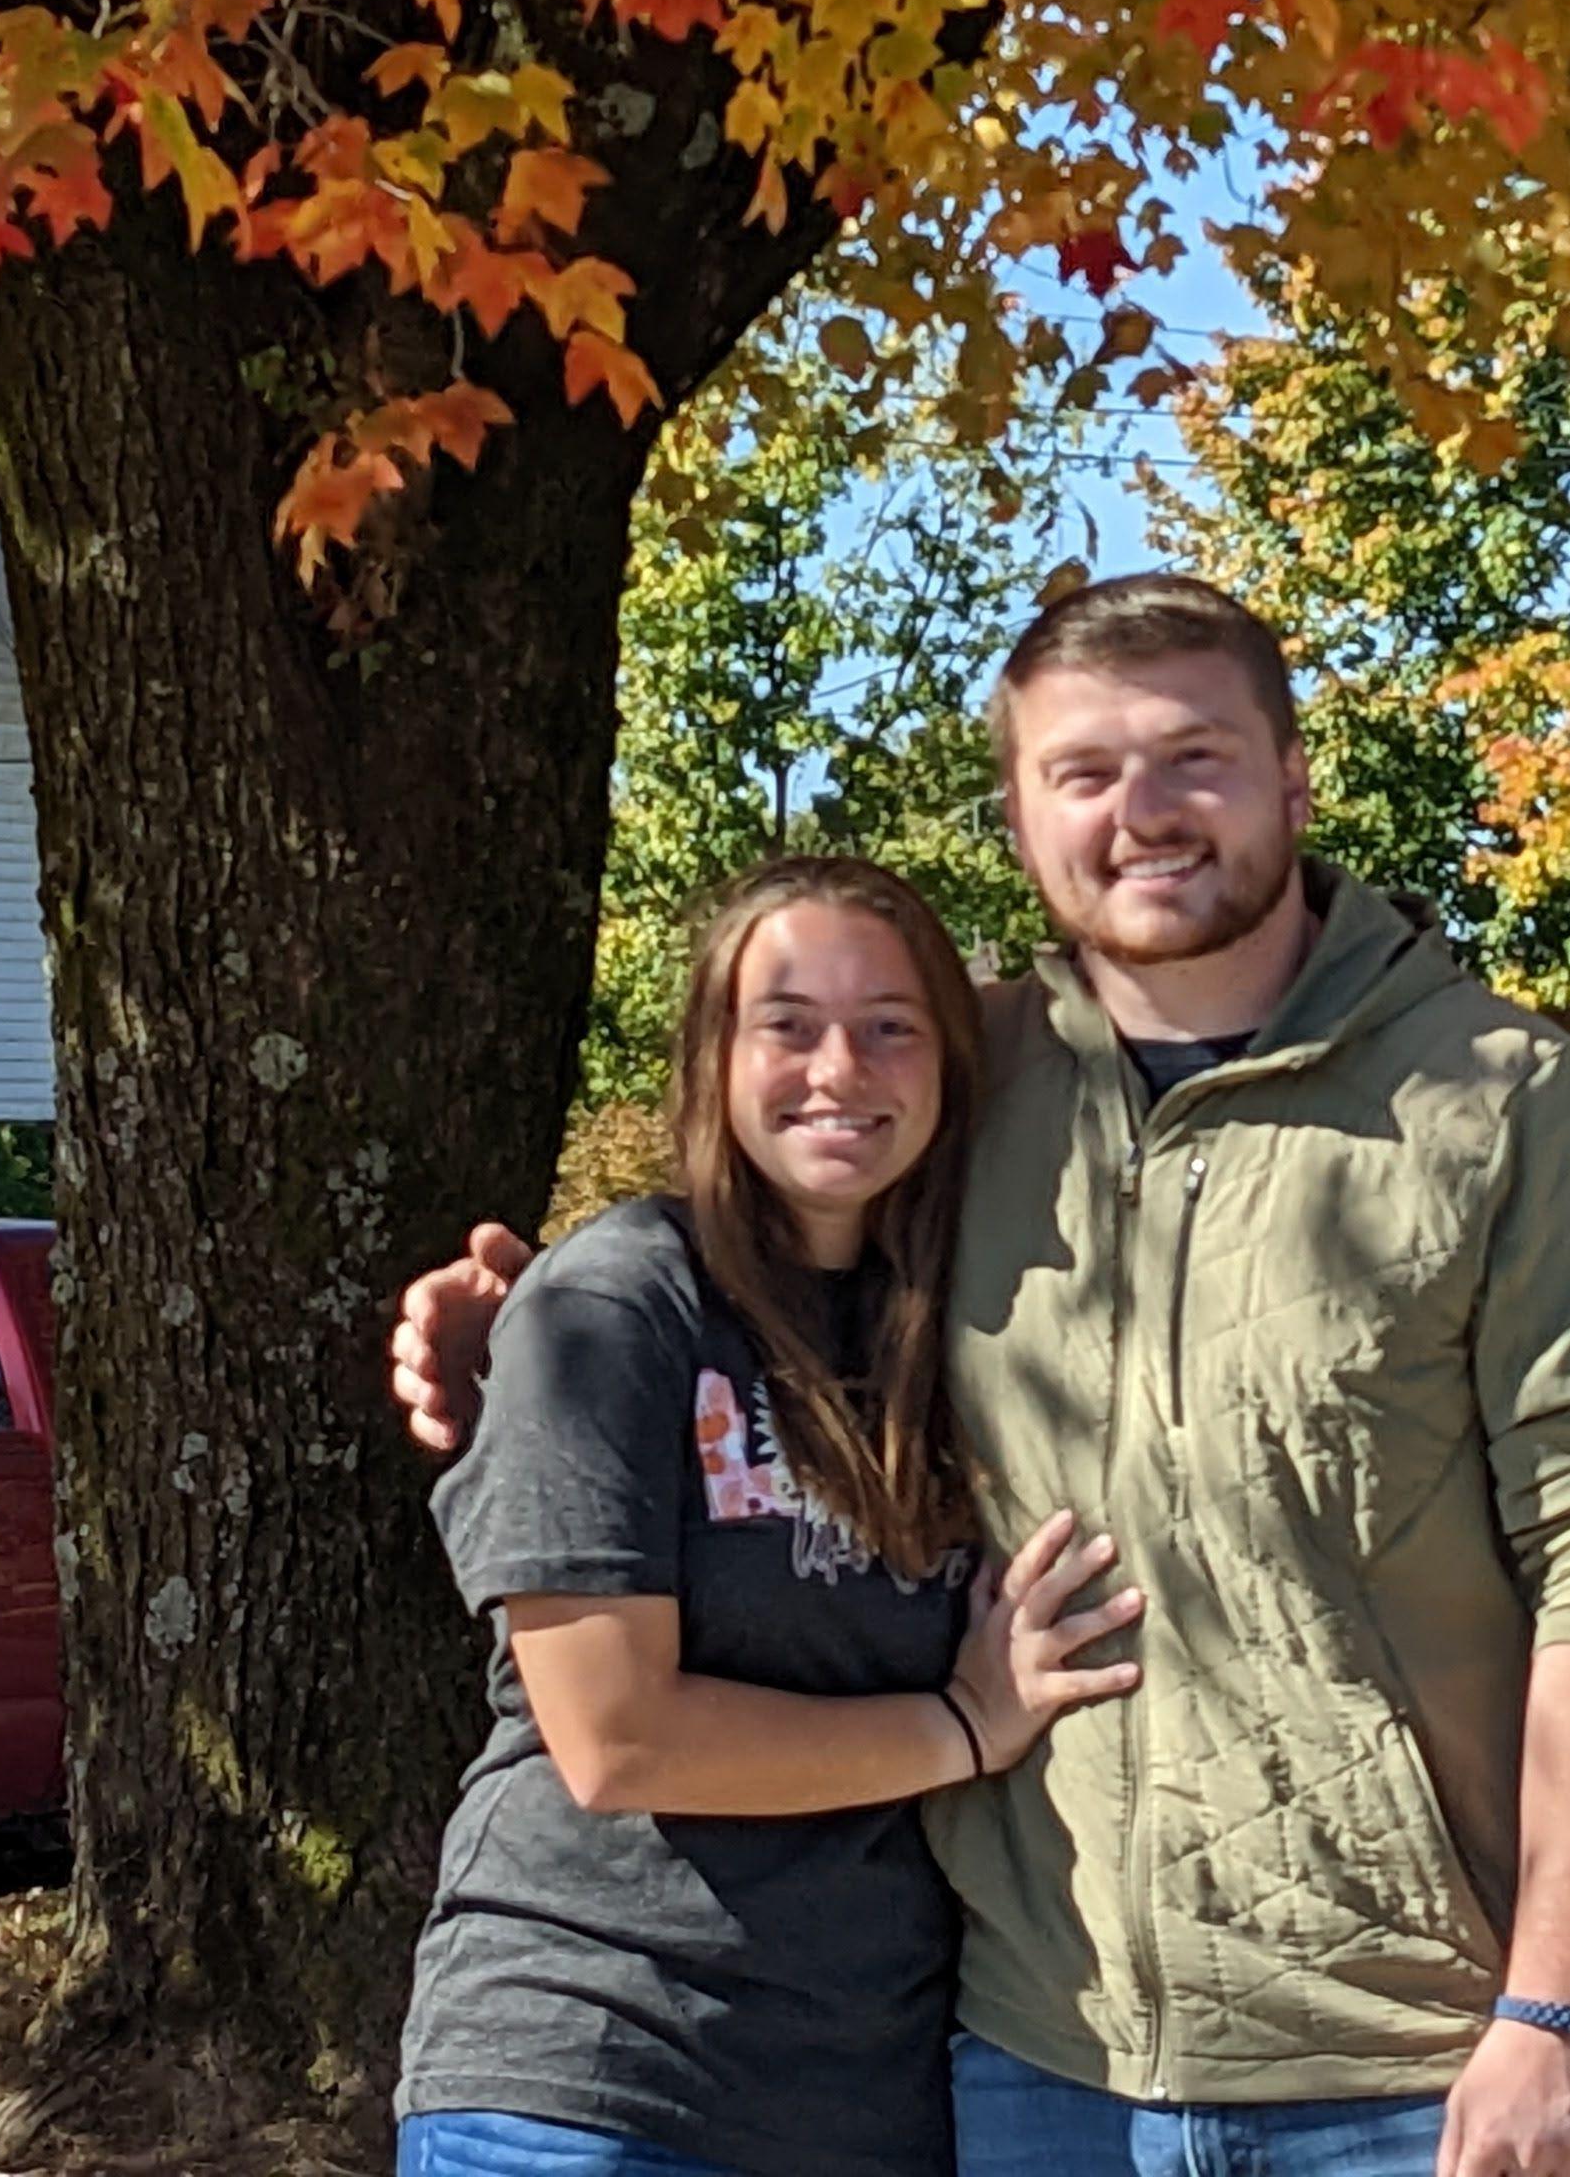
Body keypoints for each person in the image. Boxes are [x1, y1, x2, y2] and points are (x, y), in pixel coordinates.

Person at [401, 572, 1570, 2177]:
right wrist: (537, 1334)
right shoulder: (961, 1079)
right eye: (1084, 775)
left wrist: (1565, 2010)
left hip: (1413, 2060)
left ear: (1294, 779)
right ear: (1020, 817)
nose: (1142, 815)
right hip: (1034, 2057)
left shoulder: (1500, 1104)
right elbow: (752, 1279)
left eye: (1193, 759)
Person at [398, 856, 1148, 2177]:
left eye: (890, 1027)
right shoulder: (621, 1304)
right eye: (787, 1025)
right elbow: (614, 1740)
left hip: (873, 2096)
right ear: (713, 1059)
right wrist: (962, 1725)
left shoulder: (978, 1328)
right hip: (587, 2075)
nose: (840, 1069)